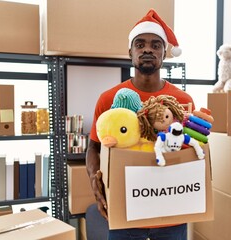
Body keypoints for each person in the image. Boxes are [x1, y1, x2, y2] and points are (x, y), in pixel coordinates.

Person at [86, 8, 195, 240]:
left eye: (156, 45)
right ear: (130, 52)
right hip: (125, 212)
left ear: (164, 54)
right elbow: (93, 147)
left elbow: (190, 150)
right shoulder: (110, 99)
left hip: (171, 214)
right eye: (140, 44)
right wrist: (95, 184)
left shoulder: (182, 102)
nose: (147, 49)